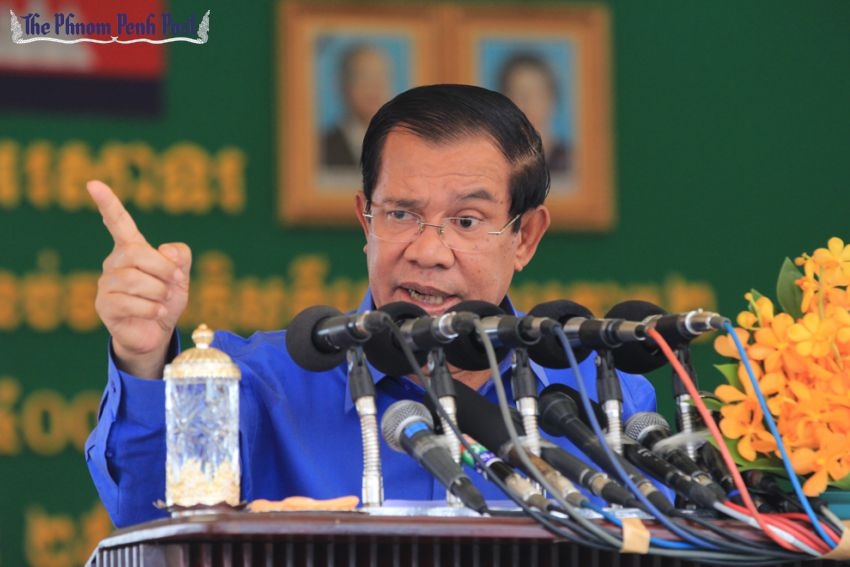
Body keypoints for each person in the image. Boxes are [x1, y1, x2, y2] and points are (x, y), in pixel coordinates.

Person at [85, 84, 657, 528]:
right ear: (366, 221)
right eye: (401, 214)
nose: (428, 252)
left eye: (466, 221)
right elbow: (147, 513)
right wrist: (144, 356)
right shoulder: (257, 384)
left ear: (525, 237)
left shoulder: (601, 397)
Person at [497, 52, 572, 175]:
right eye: (520, 93)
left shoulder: (570, 158)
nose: (530, 103)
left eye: (538, 93)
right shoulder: (494, 158)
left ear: (553, 99)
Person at [320, 44, 393, 169]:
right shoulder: (321, 147)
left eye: (382, 77)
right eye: (365, 77)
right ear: (342, 85)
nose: (375, 86)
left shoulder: (403, 144)